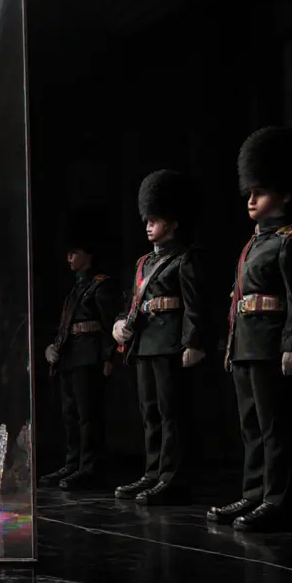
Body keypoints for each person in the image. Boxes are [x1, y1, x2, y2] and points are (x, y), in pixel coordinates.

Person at [208, 127, 292, 532]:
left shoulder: (289, 241)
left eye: (260, 192)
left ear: (285, 195)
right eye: (249, 192)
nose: (250, 199)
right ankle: (253, 492)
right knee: (251, 428)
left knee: (274, 428)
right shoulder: (252, 244)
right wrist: (231, 345)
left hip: (271, 345)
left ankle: (277, 500)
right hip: (246, 345)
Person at [112, 170, 206, 505]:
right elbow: (131, 303)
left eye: (156, 220)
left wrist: (192, 341)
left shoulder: (185, 258)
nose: (148, 225)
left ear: (173, 222)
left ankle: (171, 477)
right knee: (150, 413)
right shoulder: (142, 263)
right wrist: (119, 324)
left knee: (171, 415)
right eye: (148, 220)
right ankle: (152, 473)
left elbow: (194, 305)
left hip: (169, 344)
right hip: (144, 343)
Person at [43, 211, 121, 490]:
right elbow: (66, 324)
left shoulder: (101, 285)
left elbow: (110, 324)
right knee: (71, 415)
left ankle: (90, 467)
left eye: (74, 252)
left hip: (89, 356)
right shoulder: (75, 289)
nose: (69, 258)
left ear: (87, 254)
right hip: (71, 356)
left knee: (89, 416)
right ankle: (73, 462)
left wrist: (109, 356)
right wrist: (53, 347)